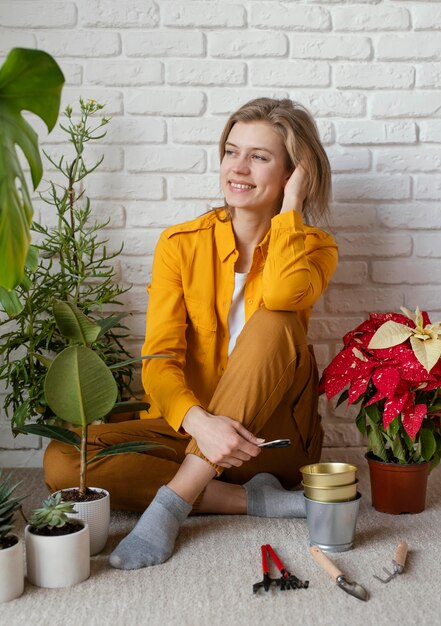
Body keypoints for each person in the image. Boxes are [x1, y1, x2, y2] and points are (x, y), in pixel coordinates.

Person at [44, 97, 338, 570]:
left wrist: (292, 208)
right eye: (231, 151)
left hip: (272, 445)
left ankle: (172, 503)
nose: (237, 168)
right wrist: (200, 422)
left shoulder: (313, 248)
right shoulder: (181, 244)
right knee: (63, 460)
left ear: (293, 172)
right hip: (193, 432)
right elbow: (158, 359)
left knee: (276, 317)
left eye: (260, 157)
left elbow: (284, 293)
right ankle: (249, 501)